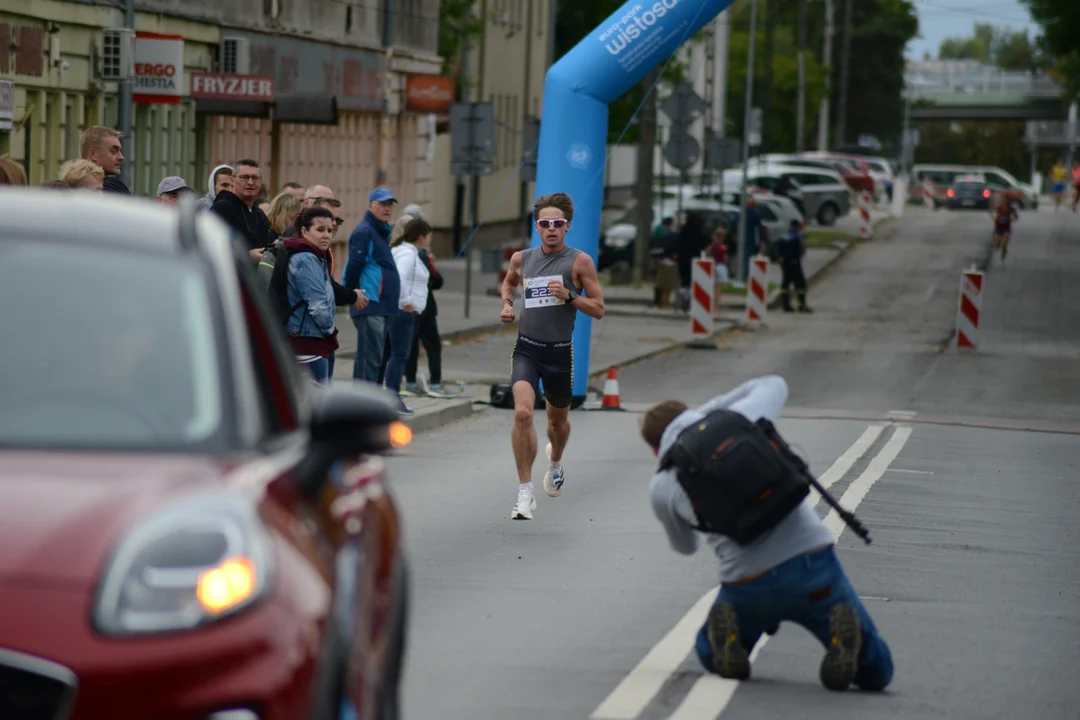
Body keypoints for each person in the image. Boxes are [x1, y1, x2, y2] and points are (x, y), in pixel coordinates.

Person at [639, 375, 894, 692]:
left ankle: (728, 639)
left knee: (706, 648)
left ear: (654, 448)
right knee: (878, 672)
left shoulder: (662, 484)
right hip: (812, 566)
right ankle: (847, 646)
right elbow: (775, 384)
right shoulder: (740, 418)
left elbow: (686, 547)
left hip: (747, 583)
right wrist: (708, 414)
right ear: (693, 412)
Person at [499, 192, 606, 520]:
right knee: (522, 414)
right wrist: (507, 304)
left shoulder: (579, 262)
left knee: (557, 423)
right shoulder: (522, 258)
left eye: (557, 224)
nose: (551, 229)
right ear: (537, 226)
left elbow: (599, 309)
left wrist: (571, 296)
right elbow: (510, 282)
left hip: (559, 354)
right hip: (527, 348)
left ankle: (556, 461)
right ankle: (524, 493)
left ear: (567, 227)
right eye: (545, 223)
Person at [344, 187, 400, 384]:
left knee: (371, 358)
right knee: (371, 359)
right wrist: (350, 295)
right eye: (382, 204)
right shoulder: (365, 231)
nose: (387, 208)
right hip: (370, 303)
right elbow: (354, 266)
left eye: (390, 205)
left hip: (382, 304)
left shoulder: (381, 231)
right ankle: (365, 407)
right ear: (370, 206)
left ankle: (361, 405)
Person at [283, 207, 341, 384]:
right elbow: (317, 306)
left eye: (330, 230)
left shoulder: (314, 255)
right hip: (307, 342)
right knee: (316, 404)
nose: (326, 235)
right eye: (320, 229)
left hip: (309, 339)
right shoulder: (306, 259)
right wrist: (330, 332)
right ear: (304, 231)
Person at [387, 218, 433, 415]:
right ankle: (392, 397)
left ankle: (391, 395)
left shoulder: (402, 250)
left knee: (396, 355)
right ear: (421, 238)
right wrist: (405, 301)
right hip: (404, 312)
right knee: (399, 355)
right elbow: (400, 278)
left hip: (401, 311)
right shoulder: (408, 254)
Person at [210, 159, 275, 261]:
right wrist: (246, 257)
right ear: (232, 180)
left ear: (261, 182)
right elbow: (210, 249)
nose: (250, 182)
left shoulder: (260, 214)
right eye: (244, 177)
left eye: (255, 178)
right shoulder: (221, 209)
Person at [776, 220, 812, 313]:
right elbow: (799, 251)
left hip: (784, 263)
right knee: (800, 285)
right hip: (794, 263)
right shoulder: (796, 237)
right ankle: (801, 306)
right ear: (797, 227)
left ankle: (785, 305)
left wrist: (781, 258)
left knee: (785, 284)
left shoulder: (783, 236)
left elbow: (778, 250)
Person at [81, 126, 130, 194]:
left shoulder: (67, 188)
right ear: (93, 154)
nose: (121, 157)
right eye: (113, 151)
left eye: (120, 151)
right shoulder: (113, 188)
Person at [990, 192, 1018, 263]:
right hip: (999, 227)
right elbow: (991, 212)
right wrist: (994, 218)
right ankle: (999, 245)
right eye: (1004, 200)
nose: (1005, 201)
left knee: (1004, 245)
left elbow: (1016, 216)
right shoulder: (999, 207)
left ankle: (1003, 257)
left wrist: (1012, 220)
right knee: (997, 245)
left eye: (1006, 200)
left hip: (1006, 228)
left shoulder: (1011, 208)